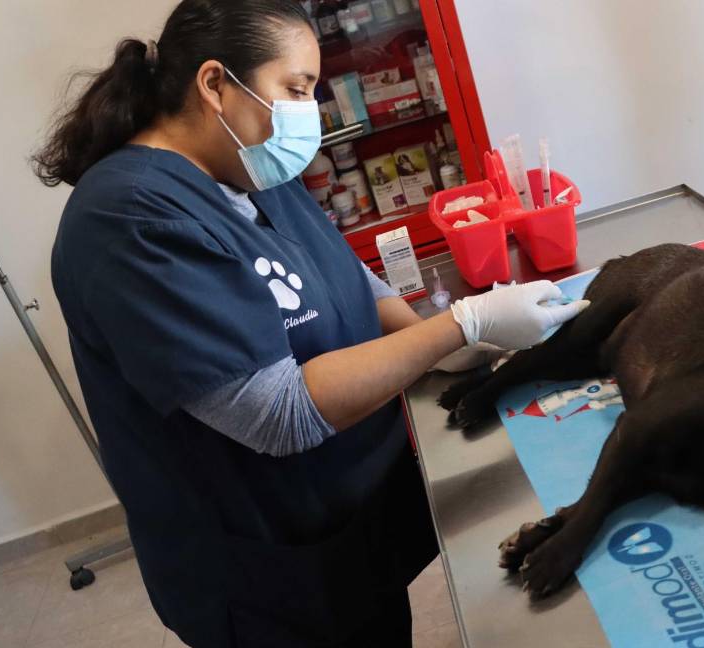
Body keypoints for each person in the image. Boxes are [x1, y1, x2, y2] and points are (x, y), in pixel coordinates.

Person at [32, 1, 587, 646]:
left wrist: (424, 337)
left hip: (346, 524)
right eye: (294, 89)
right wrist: (461, 323)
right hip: (263, 567)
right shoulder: (129, 221)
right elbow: (278, 412)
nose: (308, 111)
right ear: (215, 85)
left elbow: (347, 276)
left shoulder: (248, 161)